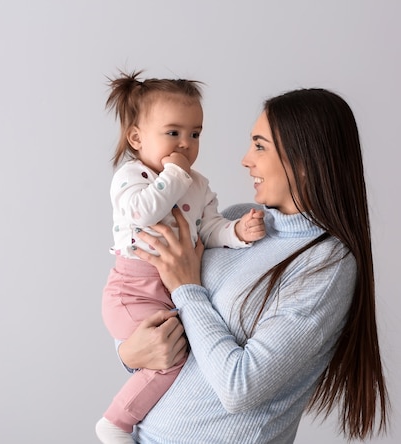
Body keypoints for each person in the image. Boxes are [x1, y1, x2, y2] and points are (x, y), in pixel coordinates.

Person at [119, 87, 390, 443]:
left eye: (260, 146)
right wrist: (128, 353)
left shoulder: (326, 265)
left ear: (304, 160)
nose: (246, 160)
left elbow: (240, 387)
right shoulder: (235, 223)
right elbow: (155, 315)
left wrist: (187, 288)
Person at [95, 70, 266, 444]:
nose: (186, 144)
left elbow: (208, 228)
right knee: (168, 360)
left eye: (195, 133)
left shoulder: (198, 183)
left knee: (179, 357)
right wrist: (174, 173)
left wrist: (237, 233)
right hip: (134, 289)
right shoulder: (131, 176)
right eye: (173, 133)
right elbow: (143, 212)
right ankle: (116, 423)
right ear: (137, 137)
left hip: (168, 291)